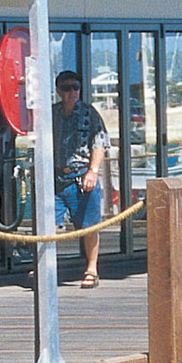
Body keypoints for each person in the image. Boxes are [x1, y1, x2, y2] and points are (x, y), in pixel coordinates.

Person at [51, 69, 110, 288]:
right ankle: (44, 267)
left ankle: (91, 268)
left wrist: (93, 171)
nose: (72, 92)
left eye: (76, 87)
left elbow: (100, 143)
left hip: (81, 176)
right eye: (67, 88)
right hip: (56, 178)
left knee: (89, 226)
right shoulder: (52, 113)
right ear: (58, 91)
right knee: (49, 225)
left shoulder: (89, 113)